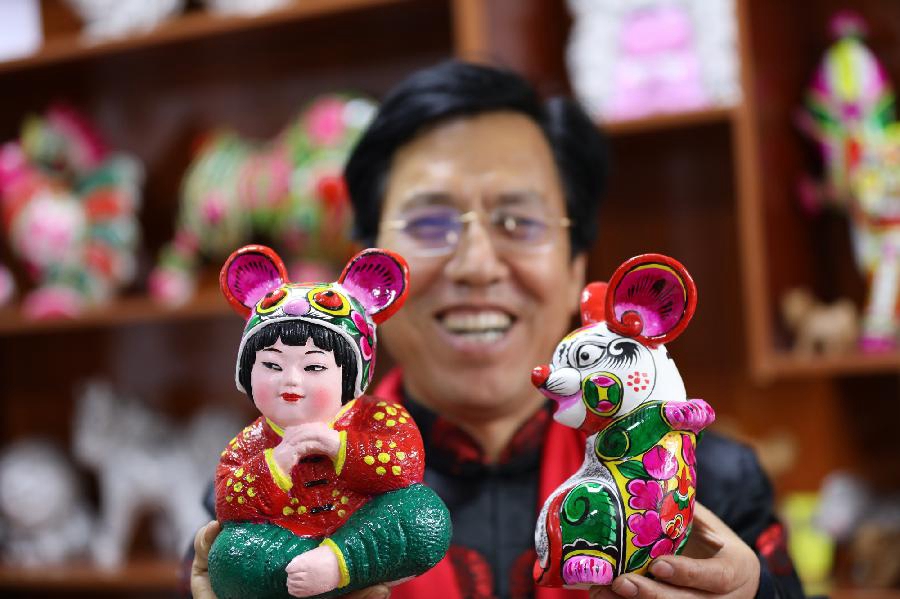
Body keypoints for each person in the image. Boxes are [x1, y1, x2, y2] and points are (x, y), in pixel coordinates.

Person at [191, 60, 804, 599]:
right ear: (368, 271)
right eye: (430, 225)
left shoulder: (708, 482)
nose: (477, 265)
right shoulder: (271, 490)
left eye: (518, 221)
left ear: (576, 268)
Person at [206, 246, 450, 599]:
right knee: (229, 554)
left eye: (314, 367)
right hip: (287, 544)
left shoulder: (379, 416)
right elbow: (230, 502)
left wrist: (339, 446)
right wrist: (275, 463)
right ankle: (313, 579)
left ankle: (339, 563)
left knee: (425, 515)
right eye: (272, 365)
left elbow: (404, 466)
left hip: (361, 530)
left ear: (351, 377)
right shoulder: (250, 441)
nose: (291, 380)